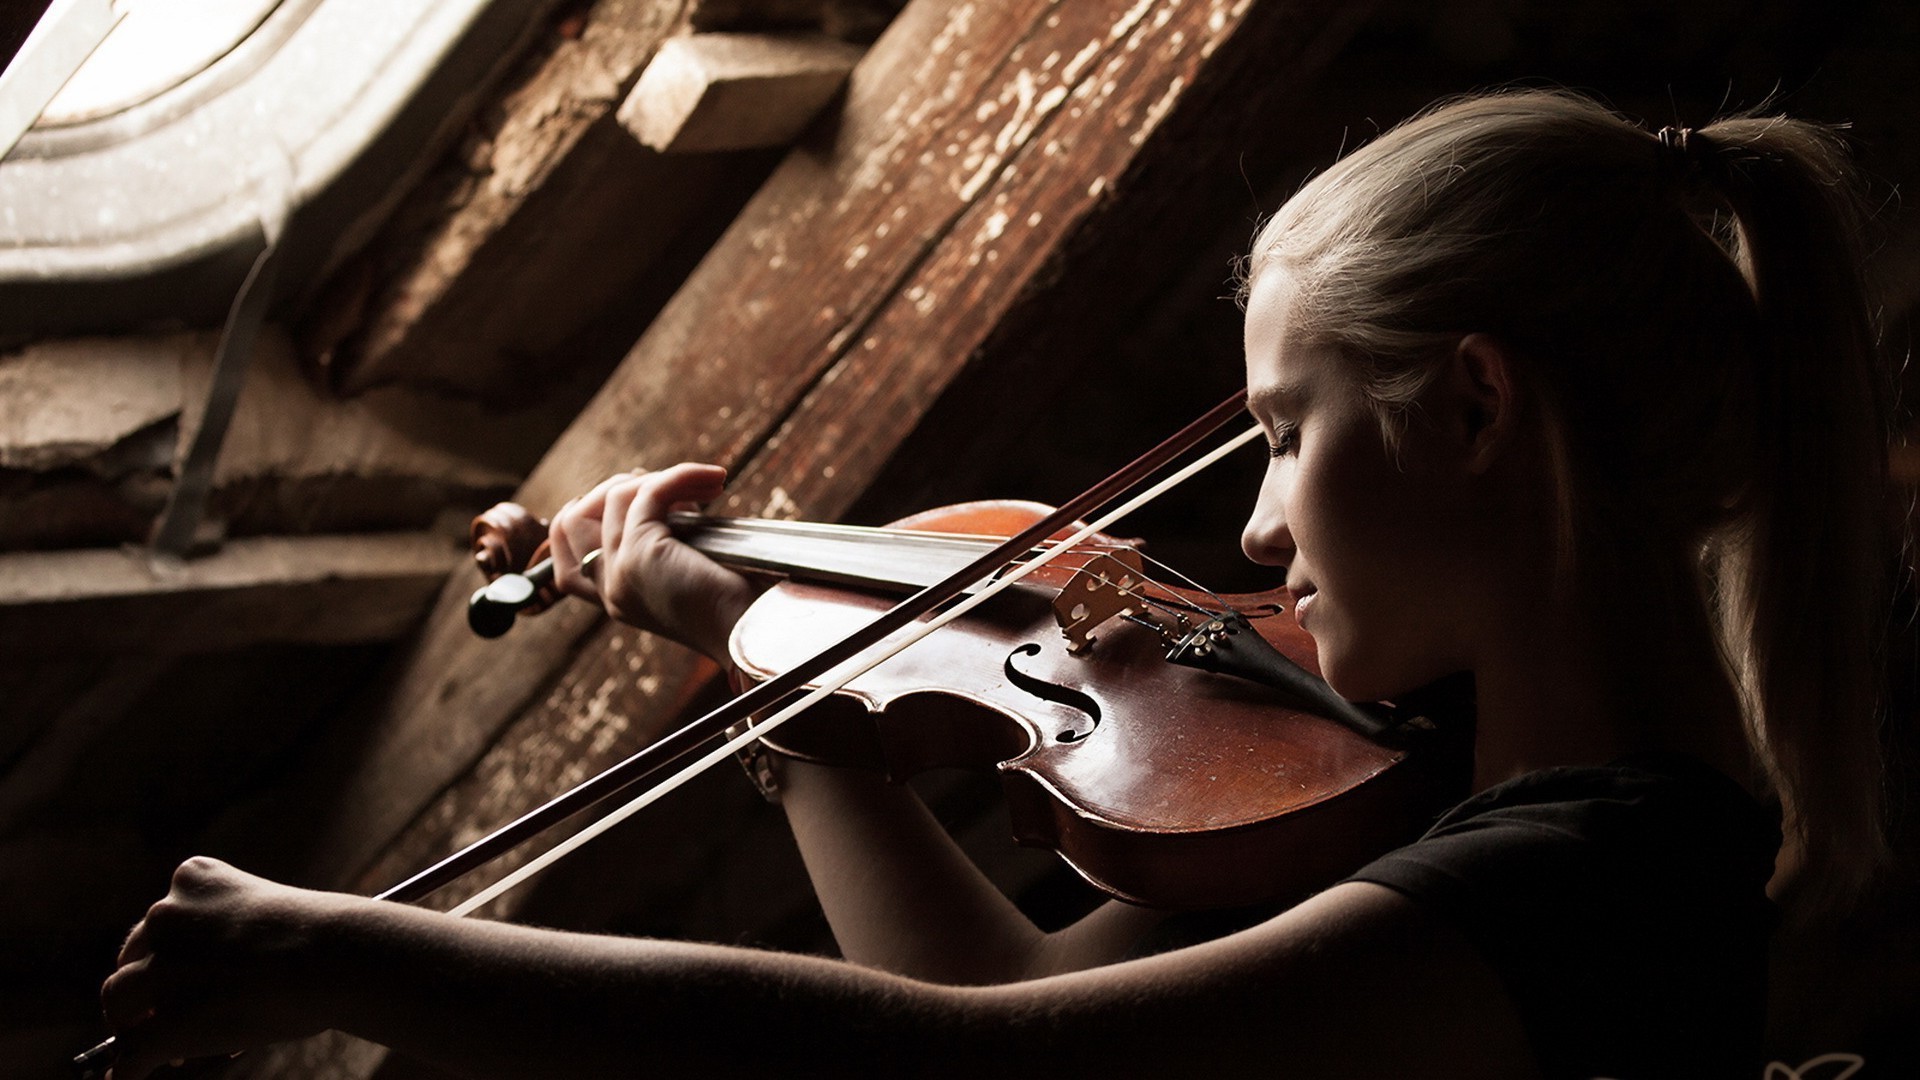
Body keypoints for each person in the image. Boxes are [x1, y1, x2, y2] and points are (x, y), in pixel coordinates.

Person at [97, 89, 1898, 1079]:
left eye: (1285, 429)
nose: (1256, 531)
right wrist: (791, 678)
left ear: (1477, 404)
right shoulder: (1471, 812)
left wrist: (357, 955)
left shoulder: (1602, 880)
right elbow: (990, 1003)